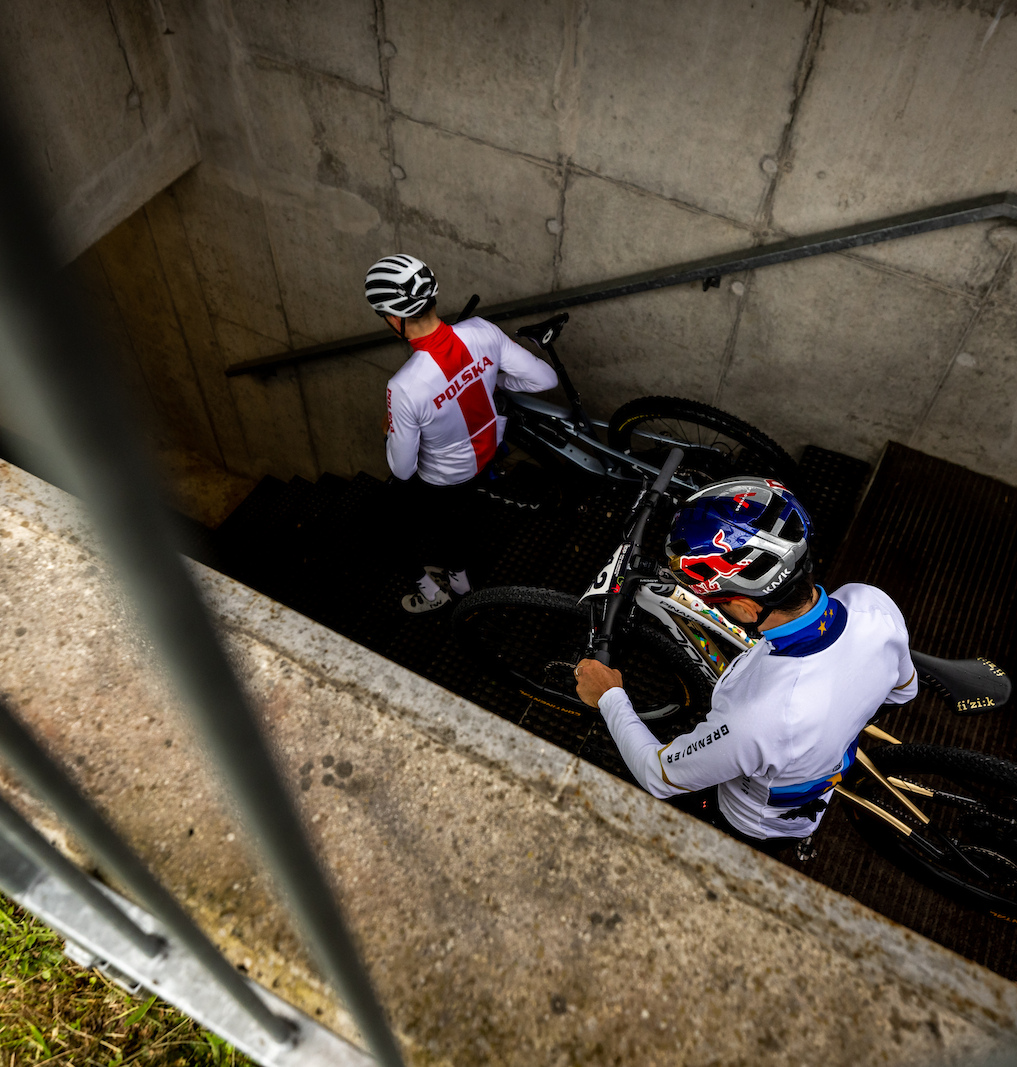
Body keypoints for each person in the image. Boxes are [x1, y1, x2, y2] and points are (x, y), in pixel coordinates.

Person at [572, 477, 918, 860]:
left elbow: (658, 776)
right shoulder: (871, 603)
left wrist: (609, 696)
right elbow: (903, 691)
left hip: (752, 823)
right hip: (816, 764)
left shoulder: (759, 716)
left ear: (747, 609)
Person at [365, 254, 558, 612]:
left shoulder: (404, 386)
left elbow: (403, 469)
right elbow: (545, 378)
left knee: (382, 524)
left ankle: (432, 592)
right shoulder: (482, 331)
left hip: (441, 479)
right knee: (458, 522)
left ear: (394, 318)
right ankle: (461, 584)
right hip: (485, 457)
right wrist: (488, 381)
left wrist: (389, 430)